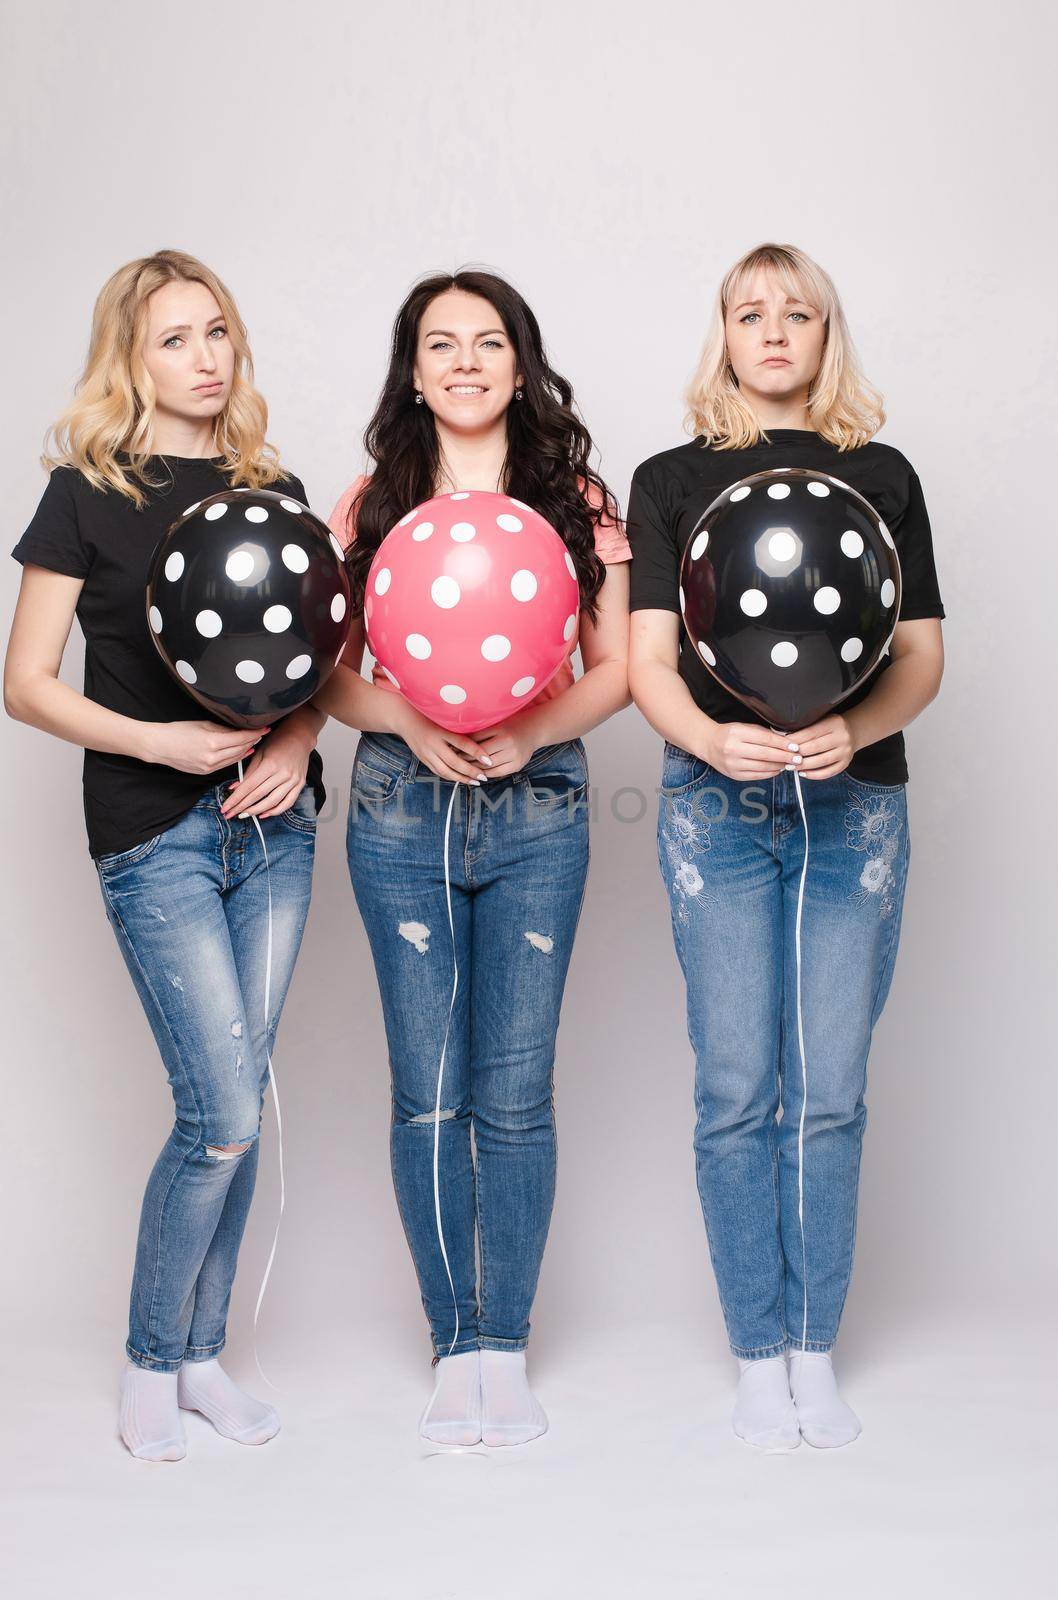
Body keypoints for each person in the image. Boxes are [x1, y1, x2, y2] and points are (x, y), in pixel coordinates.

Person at [4, 250, 325, 1461]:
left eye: (218, 333)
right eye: (176, 339)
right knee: (224, 1110)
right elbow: (23, 685)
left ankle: (202, 1360)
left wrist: (295, 738)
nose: (204, 358)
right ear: (129, 360)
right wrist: (157, 740)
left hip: (276, 830)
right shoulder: (82, 491)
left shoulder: (272, 483)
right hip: (153, 831)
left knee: (238, 1092)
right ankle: (152, 1361)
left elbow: (314, 665)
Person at [626, 242, 945, 1451]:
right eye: (748, 313)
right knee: (732, 1087)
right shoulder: (667, 479)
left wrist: (851, 728)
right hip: (717, 807)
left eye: (795, 313)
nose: (772, 332)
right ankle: (756, 1356)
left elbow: (916, 654)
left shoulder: (882, 473)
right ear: (721, 334)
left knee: (827, 1090)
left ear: (825, 336)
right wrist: (713, 743)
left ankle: (815, 1348)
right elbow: (648, 661)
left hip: (853, 805)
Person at [315, 269, 631, 1447]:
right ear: (410, 368)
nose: (462, 361)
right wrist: (405, 721)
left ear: (518, 359)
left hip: (538, 799)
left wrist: (529, 730)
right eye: (438, 344)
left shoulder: (574, 497)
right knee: (428, 1091)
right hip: (400, 805)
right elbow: (327, 671)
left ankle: (509, 1342)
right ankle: (454, 1344)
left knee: (513, 1091)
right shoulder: (370, 501)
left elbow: (615, 669)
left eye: (486, 342)